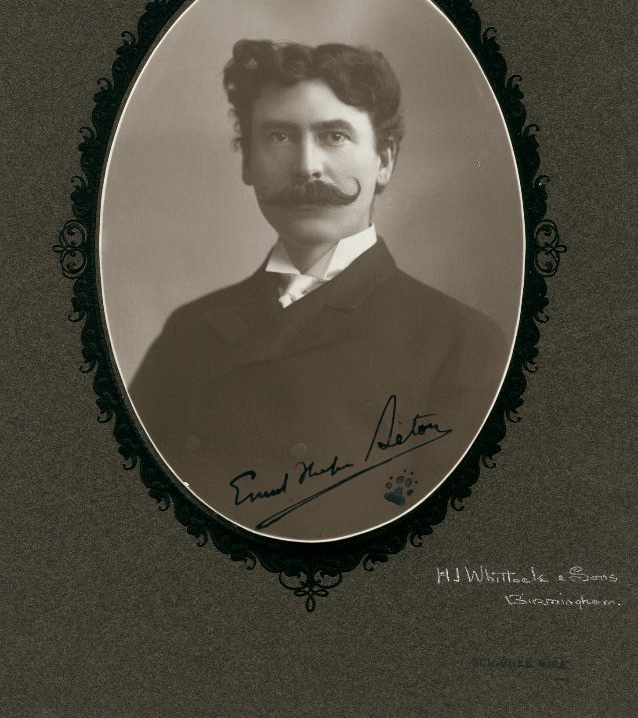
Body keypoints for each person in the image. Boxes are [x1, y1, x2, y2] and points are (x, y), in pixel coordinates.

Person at [129, 39, 508, 539]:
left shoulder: (460, 344)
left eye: (334, 136)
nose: (307, 165)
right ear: (247, 163)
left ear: (385, 160)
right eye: (279, 136)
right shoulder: (190, 331)